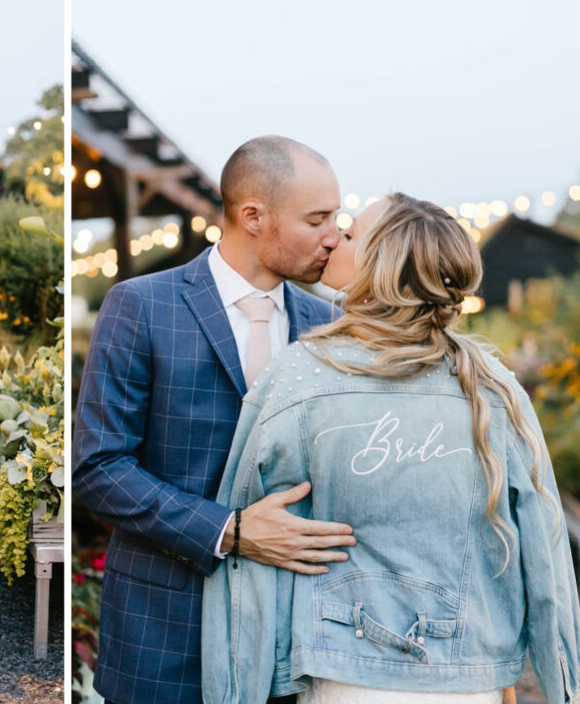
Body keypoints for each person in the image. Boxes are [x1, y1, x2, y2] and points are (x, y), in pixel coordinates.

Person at [203, 193, 580, 703]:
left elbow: (248, 559)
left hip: (344, 673)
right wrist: (556, 685)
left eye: (351, 233)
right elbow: (547, 550)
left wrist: (240, 690)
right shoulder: (492, 386)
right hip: (469, 680)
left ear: (380, 267)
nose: (334, 237)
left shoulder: (302, 376)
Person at [73, 135, 358, 703]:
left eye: (337, 218)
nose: (333, 236)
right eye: (317, 219)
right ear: (253, 215)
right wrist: (231, 531)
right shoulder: (141, 305)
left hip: (291, 643)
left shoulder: (328, 324)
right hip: (166, 630)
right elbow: (97, 467)